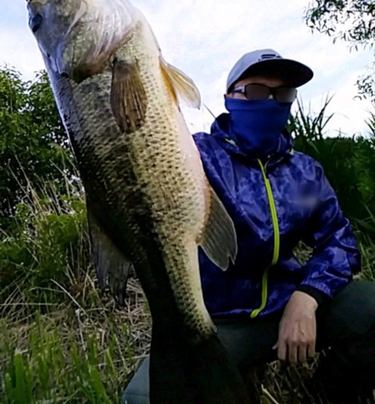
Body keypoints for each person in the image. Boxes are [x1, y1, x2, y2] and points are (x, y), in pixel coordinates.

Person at [122, 49, 375, 404]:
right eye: (256, 91)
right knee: (141, 399)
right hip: (215, 323)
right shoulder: (194, 158)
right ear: (230, 98)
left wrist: (308, 297)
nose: (271, 103)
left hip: (287, 305)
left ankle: (324, 394)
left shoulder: (304, 171)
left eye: (283, 94)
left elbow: (340, 240)